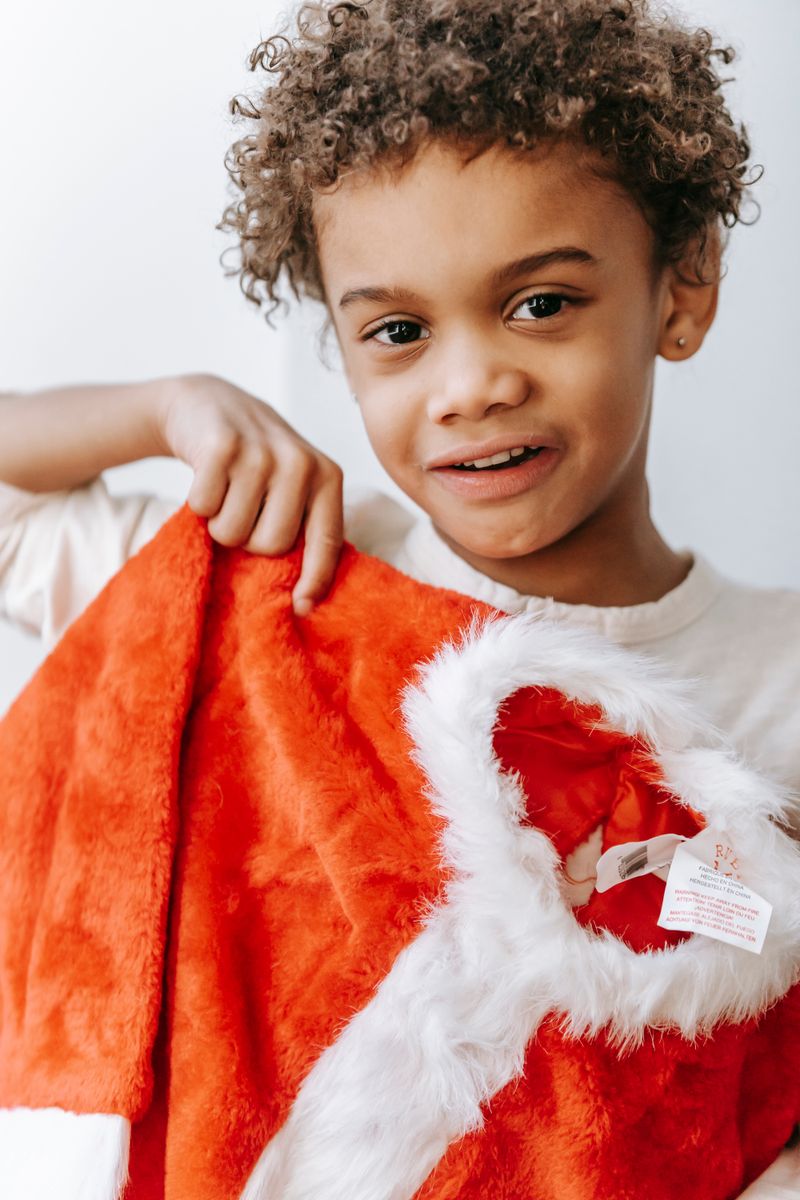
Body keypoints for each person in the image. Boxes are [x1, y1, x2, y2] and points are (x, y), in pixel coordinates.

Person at [0, 0, 798, 1193]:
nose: (469, 384)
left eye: (540, 303)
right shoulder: (275, 576)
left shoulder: (777, 676)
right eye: (397, 331)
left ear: (678, 290)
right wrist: (165, 407)